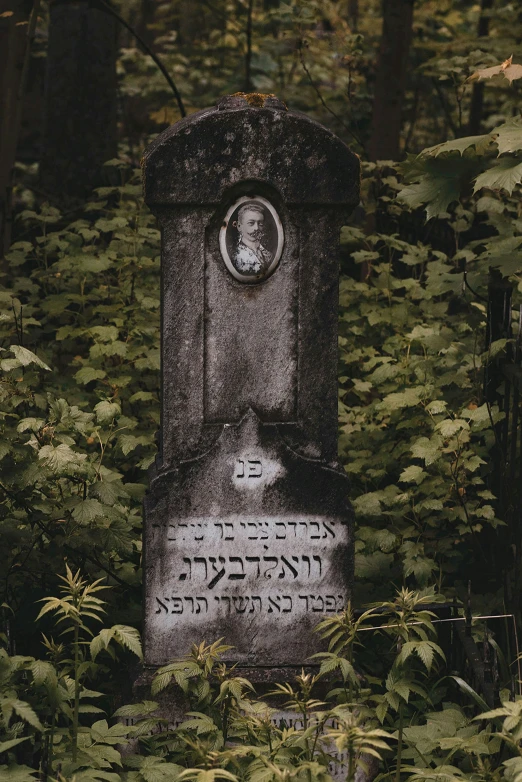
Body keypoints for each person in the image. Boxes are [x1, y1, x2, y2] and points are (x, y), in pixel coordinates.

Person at [233, 202, 272, 274]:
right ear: (239, 226)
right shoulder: (235, 256)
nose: (256, 228)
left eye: (260, 224)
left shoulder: (269, 255)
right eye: (251, 223)